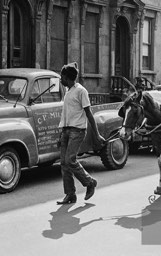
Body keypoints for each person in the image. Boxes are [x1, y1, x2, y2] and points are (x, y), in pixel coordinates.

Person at [57, 62, 105, 204]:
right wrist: (61, 134)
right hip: (66, 130)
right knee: (64, 164)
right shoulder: (68, 91)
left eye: (62, 77)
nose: (60, 79)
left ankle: (89, 182)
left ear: (67, 78)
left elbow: (89, 114)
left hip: (77, 131)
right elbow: (66, 114)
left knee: (70, 160)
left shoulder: (81, 91)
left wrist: (96, 134)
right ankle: (70, 194)